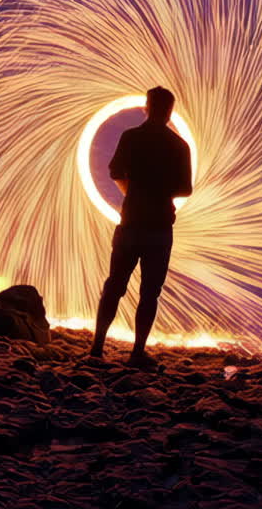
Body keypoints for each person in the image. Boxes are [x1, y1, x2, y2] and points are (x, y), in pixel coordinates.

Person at [89, 86, 192, 367]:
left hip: (131, 222)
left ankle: (97, 348)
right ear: (170, 111)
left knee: (115, 285)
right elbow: (186, 189)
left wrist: (131, 191)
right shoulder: (178, 146)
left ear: (147, 107)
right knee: (150, 292)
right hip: (159, 227)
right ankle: (136, 353)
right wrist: (161, 192)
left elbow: (114, 172)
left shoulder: (131, 137)